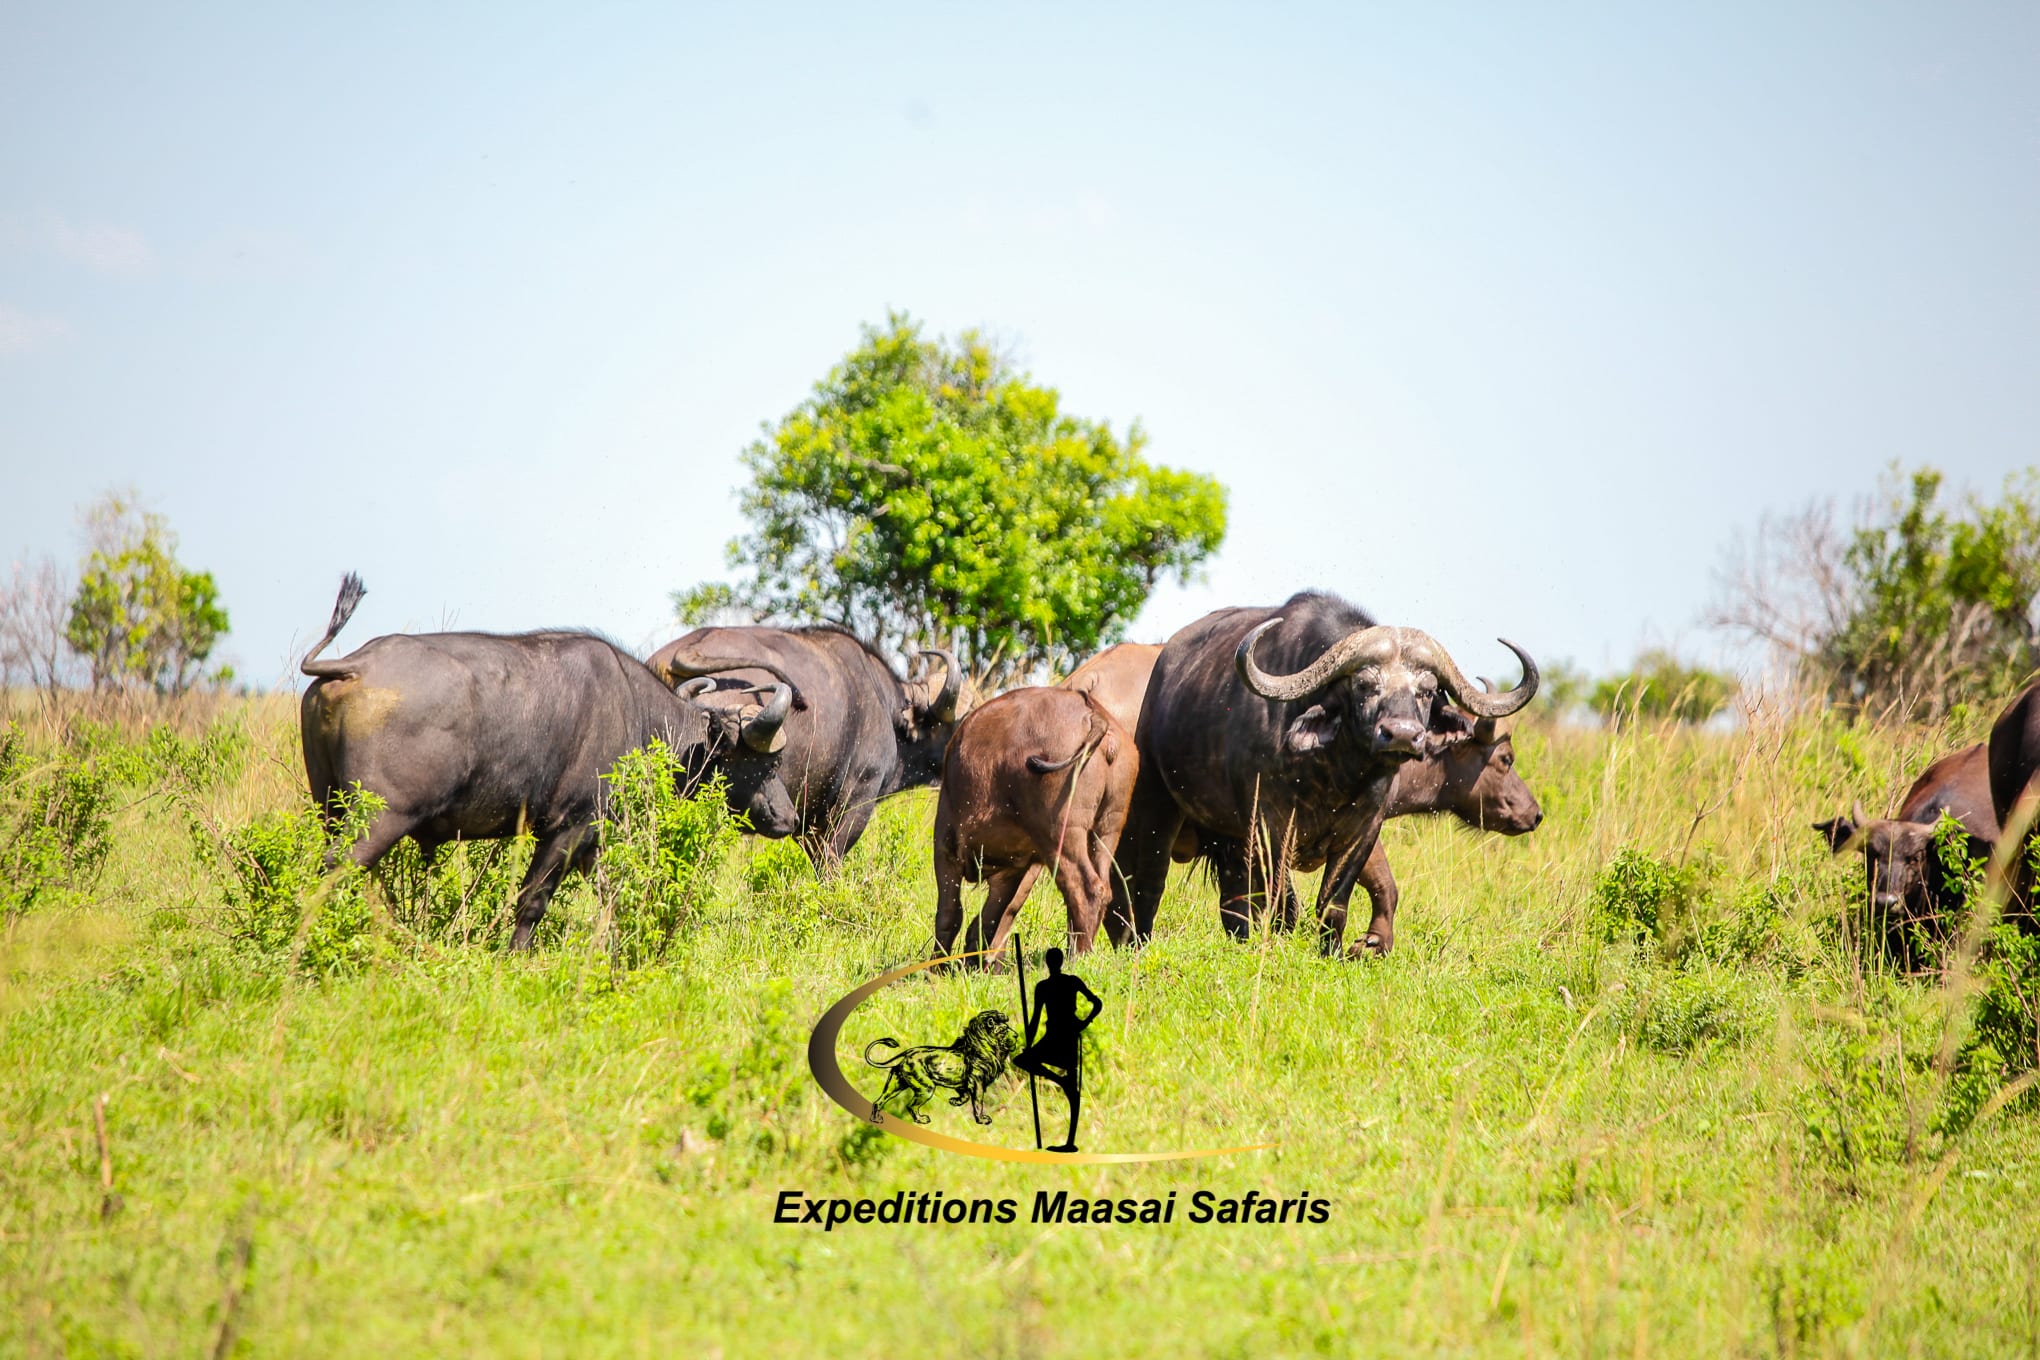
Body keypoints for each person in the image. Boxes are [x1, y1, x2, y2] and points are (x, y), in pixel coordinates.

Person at [1014, 947, 1102, 1152]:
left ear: (1051, 962)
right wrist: (1028, 1042)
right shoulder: (1054, 985)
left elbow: (1097, 1002)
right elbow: (1035, 1019)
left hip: (1064, 1033)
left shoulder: (1059, 984)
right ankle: (1062, 1081)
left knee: (1070, 1088)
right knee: (1023, 1060)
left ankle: (1070, 1142)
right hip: (1057, 1034)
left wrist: (1084, 1023)